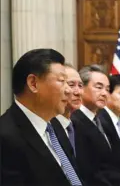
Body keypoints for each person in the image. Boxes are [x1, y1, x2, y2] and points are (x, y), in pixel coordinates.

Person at [0, 48, 83, 185]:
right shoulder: (5, 137)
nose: (69, 90)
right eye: (62, 81)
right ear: (33, 83)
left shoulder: (55, 125)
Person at [71, 65, 120, 186]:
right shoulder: (75, 121)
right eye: (99, 87)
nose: (104, 93)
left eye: (107, 89)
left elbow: (108, 160)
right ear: (82, 88)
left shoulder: (101, 120)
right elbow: (89, 172)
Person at [51, 63, 83, 158]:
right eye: (71, 85)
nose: (78, 92)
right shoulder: (48, 128)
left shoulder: (80, 126)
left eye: (80, 85)